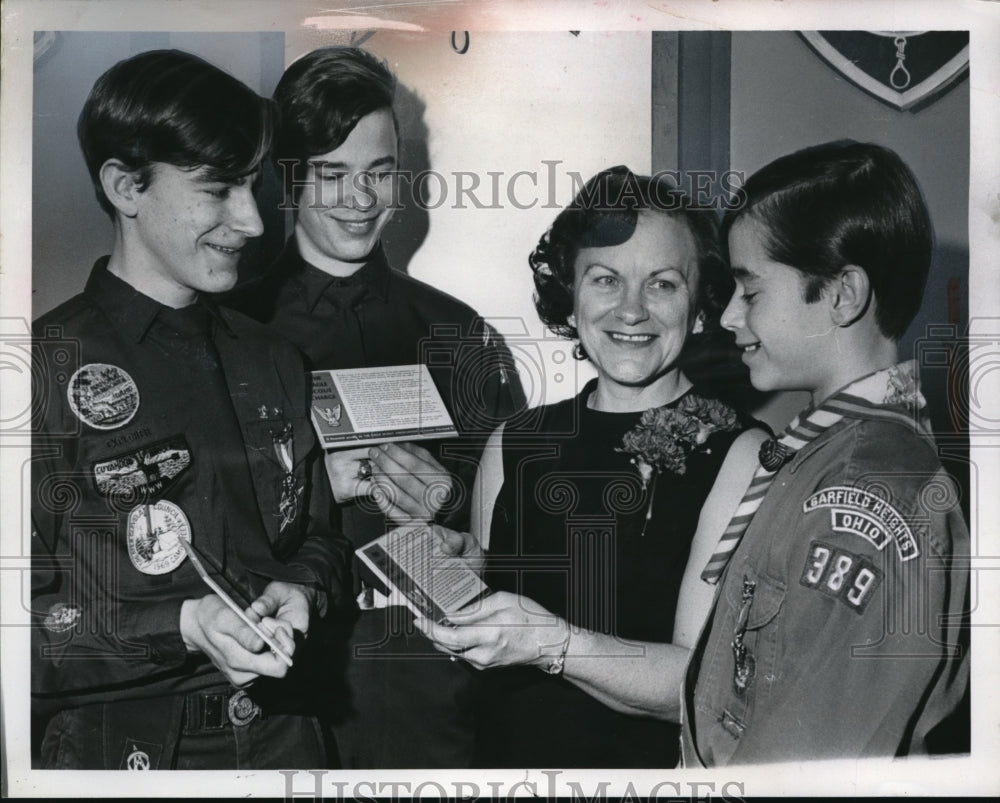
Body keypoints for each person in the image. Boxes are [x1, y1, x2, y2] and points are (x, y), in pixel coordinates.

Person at [30, 49, 350, 770]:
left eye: (253, 186)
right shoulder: (38, 369)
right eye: (217, 189)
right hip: (123, 753)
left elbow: (320, 541)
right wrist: (180, 626)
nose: (253, 220)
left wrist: (300, 588)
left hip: (289, 740)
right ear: (125, 186)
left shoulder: (273, 360)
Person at [229, 46, 526, 768]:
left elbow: (521, 528)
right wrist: (310, 484)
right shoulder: (233, 330)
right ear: (288, 178)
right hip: (287, 701)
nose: (362, 200)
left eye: (380, 172)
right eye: (333, 175)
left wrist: (455, 499)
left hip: (439, 698)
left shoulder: (461, 334)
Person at [419, 166, 768, 768]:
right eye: (605, 279)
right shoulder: (513, 439)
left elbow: (701, 685)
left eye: (662, 284)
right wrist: (452, 568)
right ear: (570, 294)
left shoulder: (741, 454)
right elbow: (491, 603)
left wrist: (552, 643)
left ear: (702, 304)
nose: (631, 310)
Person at [680, 141, 969, 765]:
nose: (728, 316)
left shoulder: (869, 496)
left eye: (750, 292)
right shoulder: (819, 456)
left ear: (843, 295)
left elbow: (804, 767)